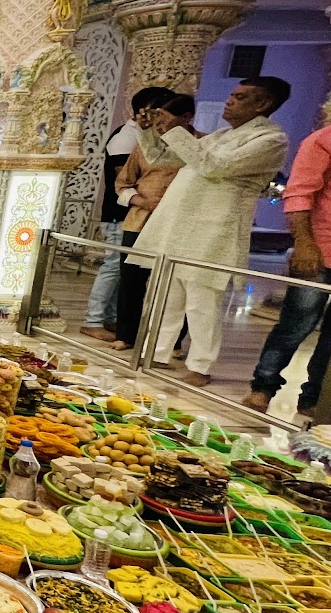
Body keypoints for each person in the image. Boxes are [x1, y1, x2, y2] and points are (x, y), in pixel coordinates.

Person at [130, 76, 293, 387]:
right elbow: (162, 158)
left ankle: (201, 365)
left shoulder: (271, 140)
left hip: (214, 228)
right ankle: (158, 352)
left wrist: (176, 131)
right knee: (167, 294)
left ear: (263, 104)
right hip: (181, 225)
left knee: (202, 300)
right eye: (232, 94)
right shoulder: (220, 136)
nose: (229, 101)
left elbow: (215, 167)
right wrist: (150, 130)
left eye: (240, 97)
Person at [243, 110, 331, 415]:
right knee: (296, 324)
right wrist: (304, 244)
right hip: (320, 250)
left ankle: (314, 398)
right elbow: (299, 194)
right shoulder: (324, 140)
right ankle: (263, 387)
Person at [81, 86, 174, 342]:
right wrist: (145, 198)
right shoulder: (125, 137)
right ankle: (93, 320)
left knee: (123, 269)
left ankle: (111, 318)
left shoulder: (147, 136)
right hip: (120, 213)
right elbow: (125, 180)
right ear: (145, 110)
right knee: (113, 265)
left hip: (137, 214)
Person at [110, 93, 189, 352]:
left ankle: (170, 343)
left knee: (174, 284)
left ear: (186, 117)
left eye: (163, 116)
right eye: (155, 116)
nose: (158, 122)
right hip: (140, 221)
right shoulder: (145, 144)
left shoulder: (200, 145)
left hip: (179, 225)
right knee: (131, 280)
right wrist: (142, 201)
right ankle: (126, 335)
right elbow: (122, 184)